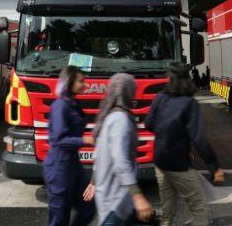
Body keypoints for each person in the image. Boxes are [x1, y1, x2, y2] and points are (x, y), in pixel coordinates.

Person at [145, 63, 224, 226]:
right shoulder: (189, 103)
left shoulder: (160, 97)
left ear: (170, 79)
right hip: (179, 164)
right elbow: (199, 139)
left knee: (167, 208)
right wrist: (214, 167)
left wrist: (165, 133)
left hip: (159, 161)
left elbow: (148, 123)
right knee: (198, 209)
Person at [91, 73, 154, 225]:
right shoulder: (120, 120)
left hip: (114, 197)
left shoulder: (110, 116)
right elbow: (121, 162)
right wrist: (138, 196)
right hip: (116, 200)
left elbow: (98, 156)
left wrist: (93, 181)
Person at [43, 66, 96, 226]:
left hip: (74, 166)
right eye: (81, 81)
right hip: (59, 168)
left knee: (88, 208)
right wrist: (85, 141)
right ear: (69, 82)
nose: (84, 85)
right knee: (59, 218)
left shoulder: (73, 102)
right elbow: (59, 139)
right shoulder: (60, 106)